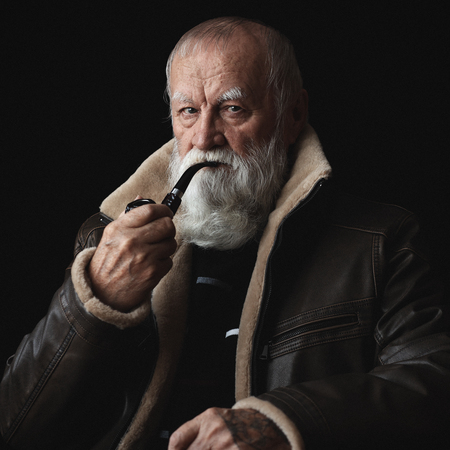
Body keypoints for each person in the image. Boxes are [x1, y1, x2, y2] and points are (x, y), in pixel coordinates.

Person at [1, 16, 449, 450]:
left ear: (293, 113)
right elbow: (14, 426)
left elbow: (433, 384)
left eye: (232, 109)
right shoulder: (106, 239)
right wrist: (96, 298)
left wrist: (281, 421)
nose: (204, 137)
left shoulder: (378, 240)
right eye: (188, 111)